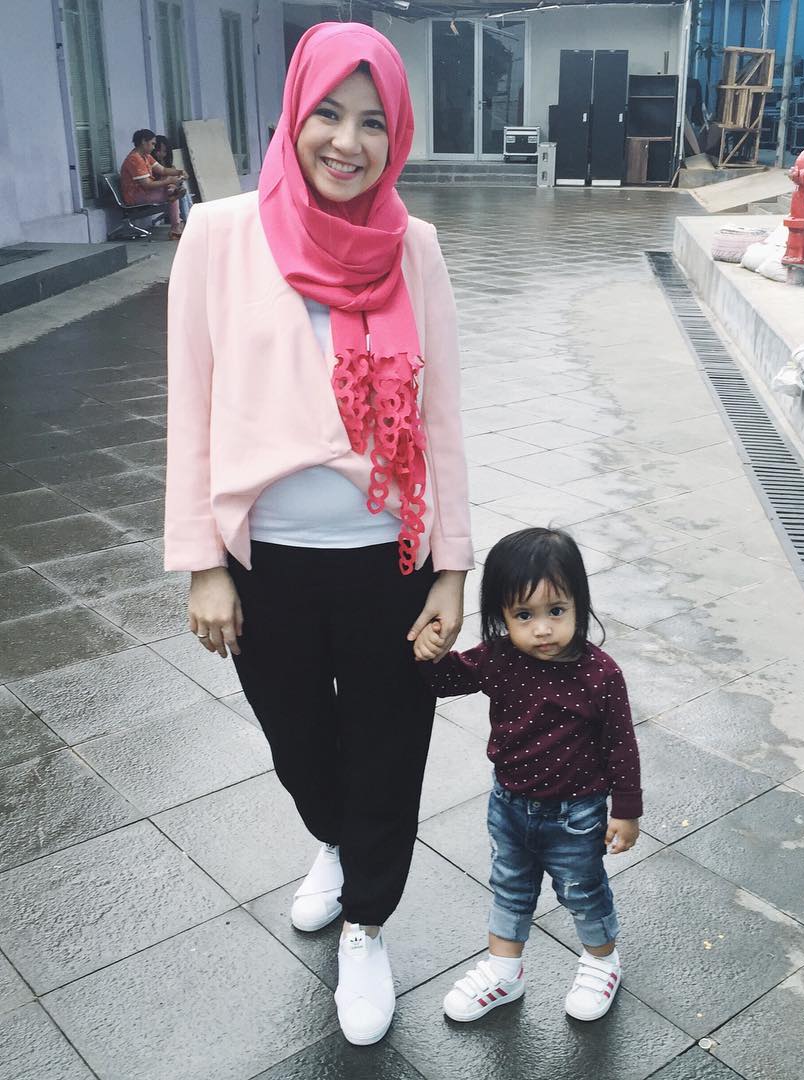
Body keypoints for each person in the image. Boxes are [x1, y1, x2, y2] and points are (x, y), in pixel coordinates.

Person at [163, 24, 472, 1046]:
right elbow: (190, 406)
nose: (348, 141)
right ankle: (334, 842)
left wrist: (453, 569)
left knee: (391, 746)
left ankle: (367, 924)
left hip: (392, 556)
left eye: (373, 122)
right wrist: (202, 563)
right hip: (266, 567)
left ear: (398, 134)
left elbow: (441, 418)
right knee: (298, 740)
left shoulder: (414, 247)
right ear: (293, 115)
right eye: (329, 114)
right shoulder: (219, 235)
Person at [418, 527, 643, 1023]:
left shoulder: (600, 675)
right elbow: (447, 679)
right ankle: (504, 972)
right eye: (524, 615)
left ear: (579, 604)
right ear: (501, 615)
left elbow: (621, 746)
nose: (542, 629)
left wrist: (626, 811)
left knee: (582, 890)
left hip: (576, 814)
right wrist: (428, 654)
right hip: (508, 806)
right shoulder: (500, 659)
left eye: (556, 611)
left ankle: (602, 962)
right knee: (509, 887)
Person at [119, 128, 184, 238]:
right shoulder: (134, 159)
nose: (154, 147)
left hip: (145, 192)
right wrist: (169, 181)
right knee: (172, 193)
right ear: (144, 141)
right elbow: (147, 184)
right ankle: (176, 227)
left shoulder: (145, 156)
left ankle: (176, 225)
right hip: (135, 196)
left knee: (171, 189)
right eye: (152, 144)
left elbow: (163, 170)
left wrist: (179, 172)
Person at [152, 134, 193, 226]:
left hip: (169, 189)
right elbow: (156, 181)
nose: (161, 154)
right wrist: (173, 180)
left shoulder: (166, 163)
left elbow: (170, 174)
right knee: (179, 191)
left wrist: (179, 178)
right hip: (159, 191)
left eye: (164, 151)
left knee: (181, 188)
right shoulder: (151, 163)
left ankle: (188, 219)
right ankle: (188, 220)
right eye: (158, 151)